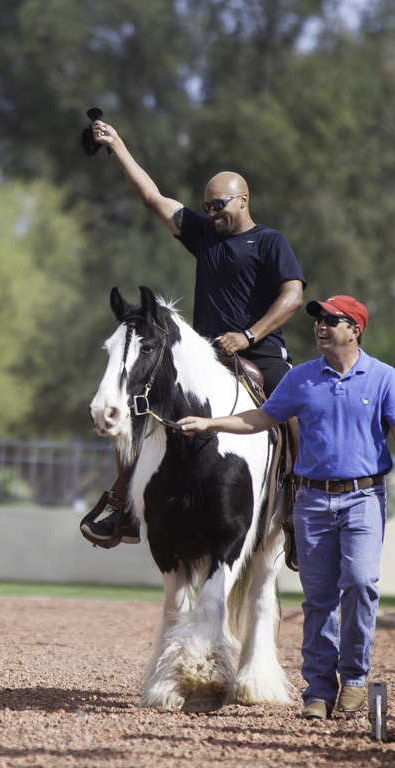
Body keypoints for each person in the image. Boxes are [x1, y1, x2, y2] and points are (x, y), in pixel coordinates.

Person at [81, 119, 306, 547]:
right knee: (140, 408)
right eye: (207, 207)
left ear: (243, 199)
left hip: (261, 354)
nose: (212, 213)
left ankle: (297, 511)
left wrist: (248, 336)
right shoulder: (204, 235)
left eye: (219, 205)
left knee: (295, 413)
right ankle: (123, 505)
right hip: (205, 356)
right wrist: (118, 145)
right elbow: (152, 198)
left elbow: (293, 296)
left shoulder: (270, 242)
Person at [179, 295, 395, 720]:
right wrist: (209, 423)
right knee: (318, 599)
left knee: (360, 583)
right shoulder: (301, 378)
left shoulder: (384, 378)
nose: (321, 326)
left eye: (331, 320)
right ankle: (319, 691)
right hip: (311, 501)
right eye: (318, 320)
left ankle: (354, 680)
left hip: (364, 498)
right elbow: (260, 418)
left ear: (355, 330)